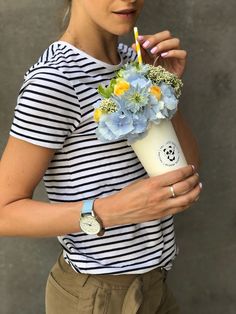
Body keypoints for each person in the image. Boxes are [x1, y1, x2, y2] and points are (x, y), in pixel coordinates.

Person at [0, 0, 202, 313]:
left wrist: (163, 85)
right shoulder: (54, 81)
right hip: (99, 296)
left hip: (155, 286)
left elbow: (186, 171)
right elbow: (4, 211)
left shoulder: (133, 63)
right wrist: (109, 211)